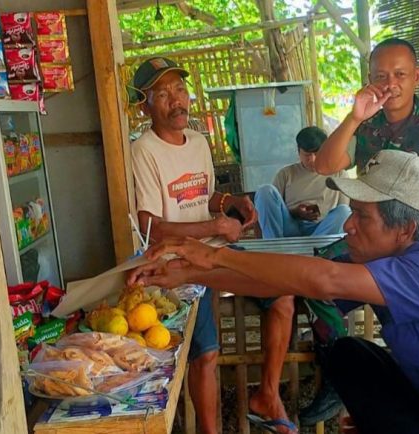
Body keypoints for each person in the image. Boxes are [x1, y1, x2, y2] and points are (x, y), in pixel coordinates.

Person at [128, 150, 419, 434]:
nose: (349, 227)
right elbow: (282, 283)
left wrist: (214, 256)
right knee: (349, 356)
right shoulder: (382, 268)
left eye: (362, 216)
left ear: (406, 229)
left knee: (352, 357)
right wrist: (185, 274)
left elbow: (323, 279)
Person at [128, 56, 296, 434]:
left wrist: (230, 202)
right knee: (205, 353)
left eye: (180, 89)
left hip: (216, 249)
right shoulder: (144, 151)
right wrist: (217, 224)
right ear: (145, 104)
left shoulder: (199, 141)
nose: (176, 100)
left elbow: (202, 196)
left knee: (283, 296)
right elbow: (150, 226)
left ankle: (267, 395)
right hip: (177, 261)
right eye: (162, 93)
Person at [313, 38, 419, 241]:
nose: (391, 84)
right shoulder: (366, 127)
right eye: (381, 76)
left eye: (400, 75)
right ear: (370, 79)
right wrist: (354, 118)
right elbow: (323, 166)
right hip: (375, 244)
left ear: (416, 76)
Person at [254, 126, 352, 238]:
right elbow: (273, 210)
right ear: (298, 151)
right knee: (265, 191)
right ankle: (274, 245)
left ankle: (314, 248)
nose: (312, 159)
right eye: (307, 155)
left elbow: (343, 214)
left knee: (344, 211)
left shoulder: (339, 174)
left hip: (323, 230)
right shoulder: (286, 174)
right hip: (291, 228)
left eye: (317, 153)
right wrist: (296, 213)